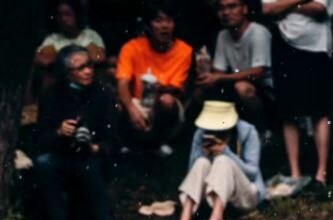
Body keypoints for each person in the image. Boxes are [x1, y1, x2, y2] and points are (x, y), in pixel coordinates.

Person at [32, 45, 120, 220]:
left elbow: (115, 139)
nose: (88, 71)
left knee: (89, 167)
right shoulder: (52, 94)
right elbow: (39, 139)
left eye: (89, 65)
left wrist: (96, 147)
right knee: (44, 163)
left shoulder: (103, 93)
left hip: (93, 155)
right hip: (62, 153)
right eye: (80, 68)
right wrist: (59, 133)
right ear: (66, 74)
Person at [262, 0, 333, 187]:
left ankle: (321, 173)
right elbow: (268, 9)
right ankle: (295, 173)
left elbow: (320, 9)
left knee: (318, 110)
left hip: (316, 46)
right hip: (284, 43)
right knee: (288, 111)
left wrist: (284, 6)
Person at [174, 101, 265, 220]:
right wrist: (203, 154)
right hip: (210, 194)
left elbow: (252, 173)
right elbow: (192, 172)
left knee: (223, 161)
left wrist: (226, 152)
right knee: (201, 162)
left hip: (245, 195)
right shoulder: (201, 133)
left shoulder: (247, 132)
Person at [116, 0, 194, 154]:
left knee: (167, 101)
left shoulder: (185, 51)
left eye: (169, 20)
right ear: (148, 26)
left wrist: (158, 88)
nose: (165, 26)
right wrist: (131, 109)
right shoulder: (131, 47)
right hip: (137, 101)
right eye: (158, 20)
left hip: (161, 102)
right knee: (118, 104)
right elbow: (122, 82)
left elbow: (175, 89)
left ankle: (160, 142)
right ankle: (126, 142)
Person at [200, 0, 272, 130]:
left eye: (232, 7)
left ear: (245, 9)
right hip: (238, 84)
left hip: (267, 91)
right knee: (204, 87)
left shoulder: (258, 32)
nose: (226, 12)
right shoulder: (223, 35)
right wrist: (206, 72)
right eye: (221, 9)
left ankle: (263, 130)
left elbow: (258, 72)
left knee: (242, 88)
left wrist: (219, 78)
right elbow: (218, 72)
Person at [33, 1, 105, 90]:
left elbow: (99, 57)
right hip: (60, 86)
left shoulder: (90, 35)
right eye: (60, 15)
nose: (63, 18)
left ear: (76, 15)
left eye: (67, 14)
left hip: (88, 84)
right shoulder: (52, 39)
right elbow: (43, 60)